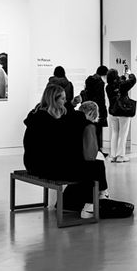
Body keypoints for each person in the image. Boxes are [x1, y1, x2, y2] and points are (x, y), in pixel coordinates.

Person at [23, 83, 107, 218]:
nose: (65, 101)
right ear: (53, 99)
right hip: (43, 165)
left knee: (95, 165)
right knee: (94, 167)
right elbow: (55, 142)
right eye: (62, 98)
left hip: (43, 162)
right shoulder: (44, 119)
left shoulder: (42, 115)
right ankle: (92, 203)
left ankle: (98, 197)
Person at [106, 67, 137, 162]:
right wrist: (129, 73)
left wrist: (123, 77)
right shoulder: (122, 85)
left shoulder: (108, 87)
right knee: (123, 134)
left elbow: (120, 83)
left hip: (113, 112)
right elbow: (133, 80)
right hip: (123, 111)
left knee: (115, 133)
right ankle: (121, 156)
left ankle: (113, 155)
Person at [83, 65, 109, 150]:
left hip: (89, 108)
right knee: (98, 131)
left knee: (91, 130)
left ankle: (91, 149)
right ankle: (98, 150)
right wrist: (104, 112)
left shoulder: (89, 80)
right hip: (97, 109)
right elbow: (101, 98)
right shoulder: (99, 82)